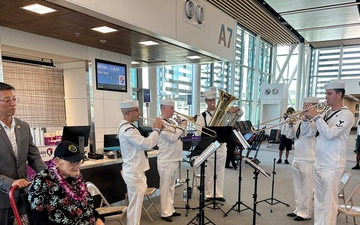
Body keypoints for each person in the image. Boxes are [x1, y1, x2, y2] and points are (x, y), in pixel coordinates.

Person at [305, 81, 355, 225]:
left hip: (333, 164)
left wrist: (316, 117)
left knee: (329, 204)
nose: (326, 97)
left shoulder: (346, 115)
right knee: (319, 202)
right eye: (326, 93)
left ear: (339, 94)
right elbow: (313, 132)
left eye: (329, 93)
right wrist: (307, 119)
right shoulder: (327, 113)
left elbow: (330, 134)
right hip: (320, 162)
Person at [0, 82, 47, 225]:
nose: (13, 103)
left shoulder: (23, 126)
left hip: (24, 194)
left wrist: (48, 175)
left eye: (14, 98)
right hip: (2, 197)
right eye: (7, 100)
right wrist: (10, 182)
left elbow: (34, 157)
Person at [28, 141, 105, 225]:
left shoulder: (77, 178)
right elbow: (39, 221)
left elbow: (88, 207)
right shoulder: (42, 181)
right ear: (57, 162)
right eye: (73, 162)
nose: (78, 165)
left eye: (79, 161)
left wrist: (98, 219)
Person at [118, 99, 163, 225]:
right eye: (136, 110)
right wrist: (157, 130)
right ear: (128, 113)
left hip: (136, 172)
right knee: (135, 209)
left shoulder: (130, 128)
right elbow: (146, 144)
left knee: (135, 209)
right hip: (134, 173)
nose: (139, 112)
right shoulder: (128, 130)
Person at [195, 90, 241, 202]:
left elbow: (240, 114)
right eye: (210, 100)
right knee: (210, 172)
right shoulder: (202, 116)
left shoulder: (223, 113)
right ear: (205, 101)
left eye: (213, 100)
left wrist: (236, 109)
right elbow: (198, 131)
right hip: (209, 147)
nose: (212, 102)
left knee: (220, 171)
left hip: (221, 146)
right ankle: (210, 194)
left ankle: (218, 194)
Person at [284, 97, 319, 221]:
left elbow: (308, 133)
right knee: (297, 186)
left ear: (314, 106)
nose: (304, 107)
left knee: (307, 188)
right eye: (304, 105)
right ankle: (298, 209)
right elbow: (289, 135)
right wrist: (289, 123)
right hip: (297, 157)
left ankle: (305, 213)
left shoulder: (316, 121)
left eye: (307, 105)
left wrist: (305, 118)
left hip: (308, 159)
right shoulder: (300, 120)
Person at [157, 99, 187, 222]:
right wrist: (181, 127)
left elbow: (183, 134)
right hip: (166, 160)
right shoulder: (160, 122)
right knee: (165, 186)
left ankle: (170, 209)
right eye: (171, 108)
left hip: (174, 158)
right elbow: (172, 137)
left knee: (171, 186)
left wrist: (181, 126)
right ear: (164, 109)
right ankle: (165, 212)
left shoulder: (172, 121)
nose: (174, 110)